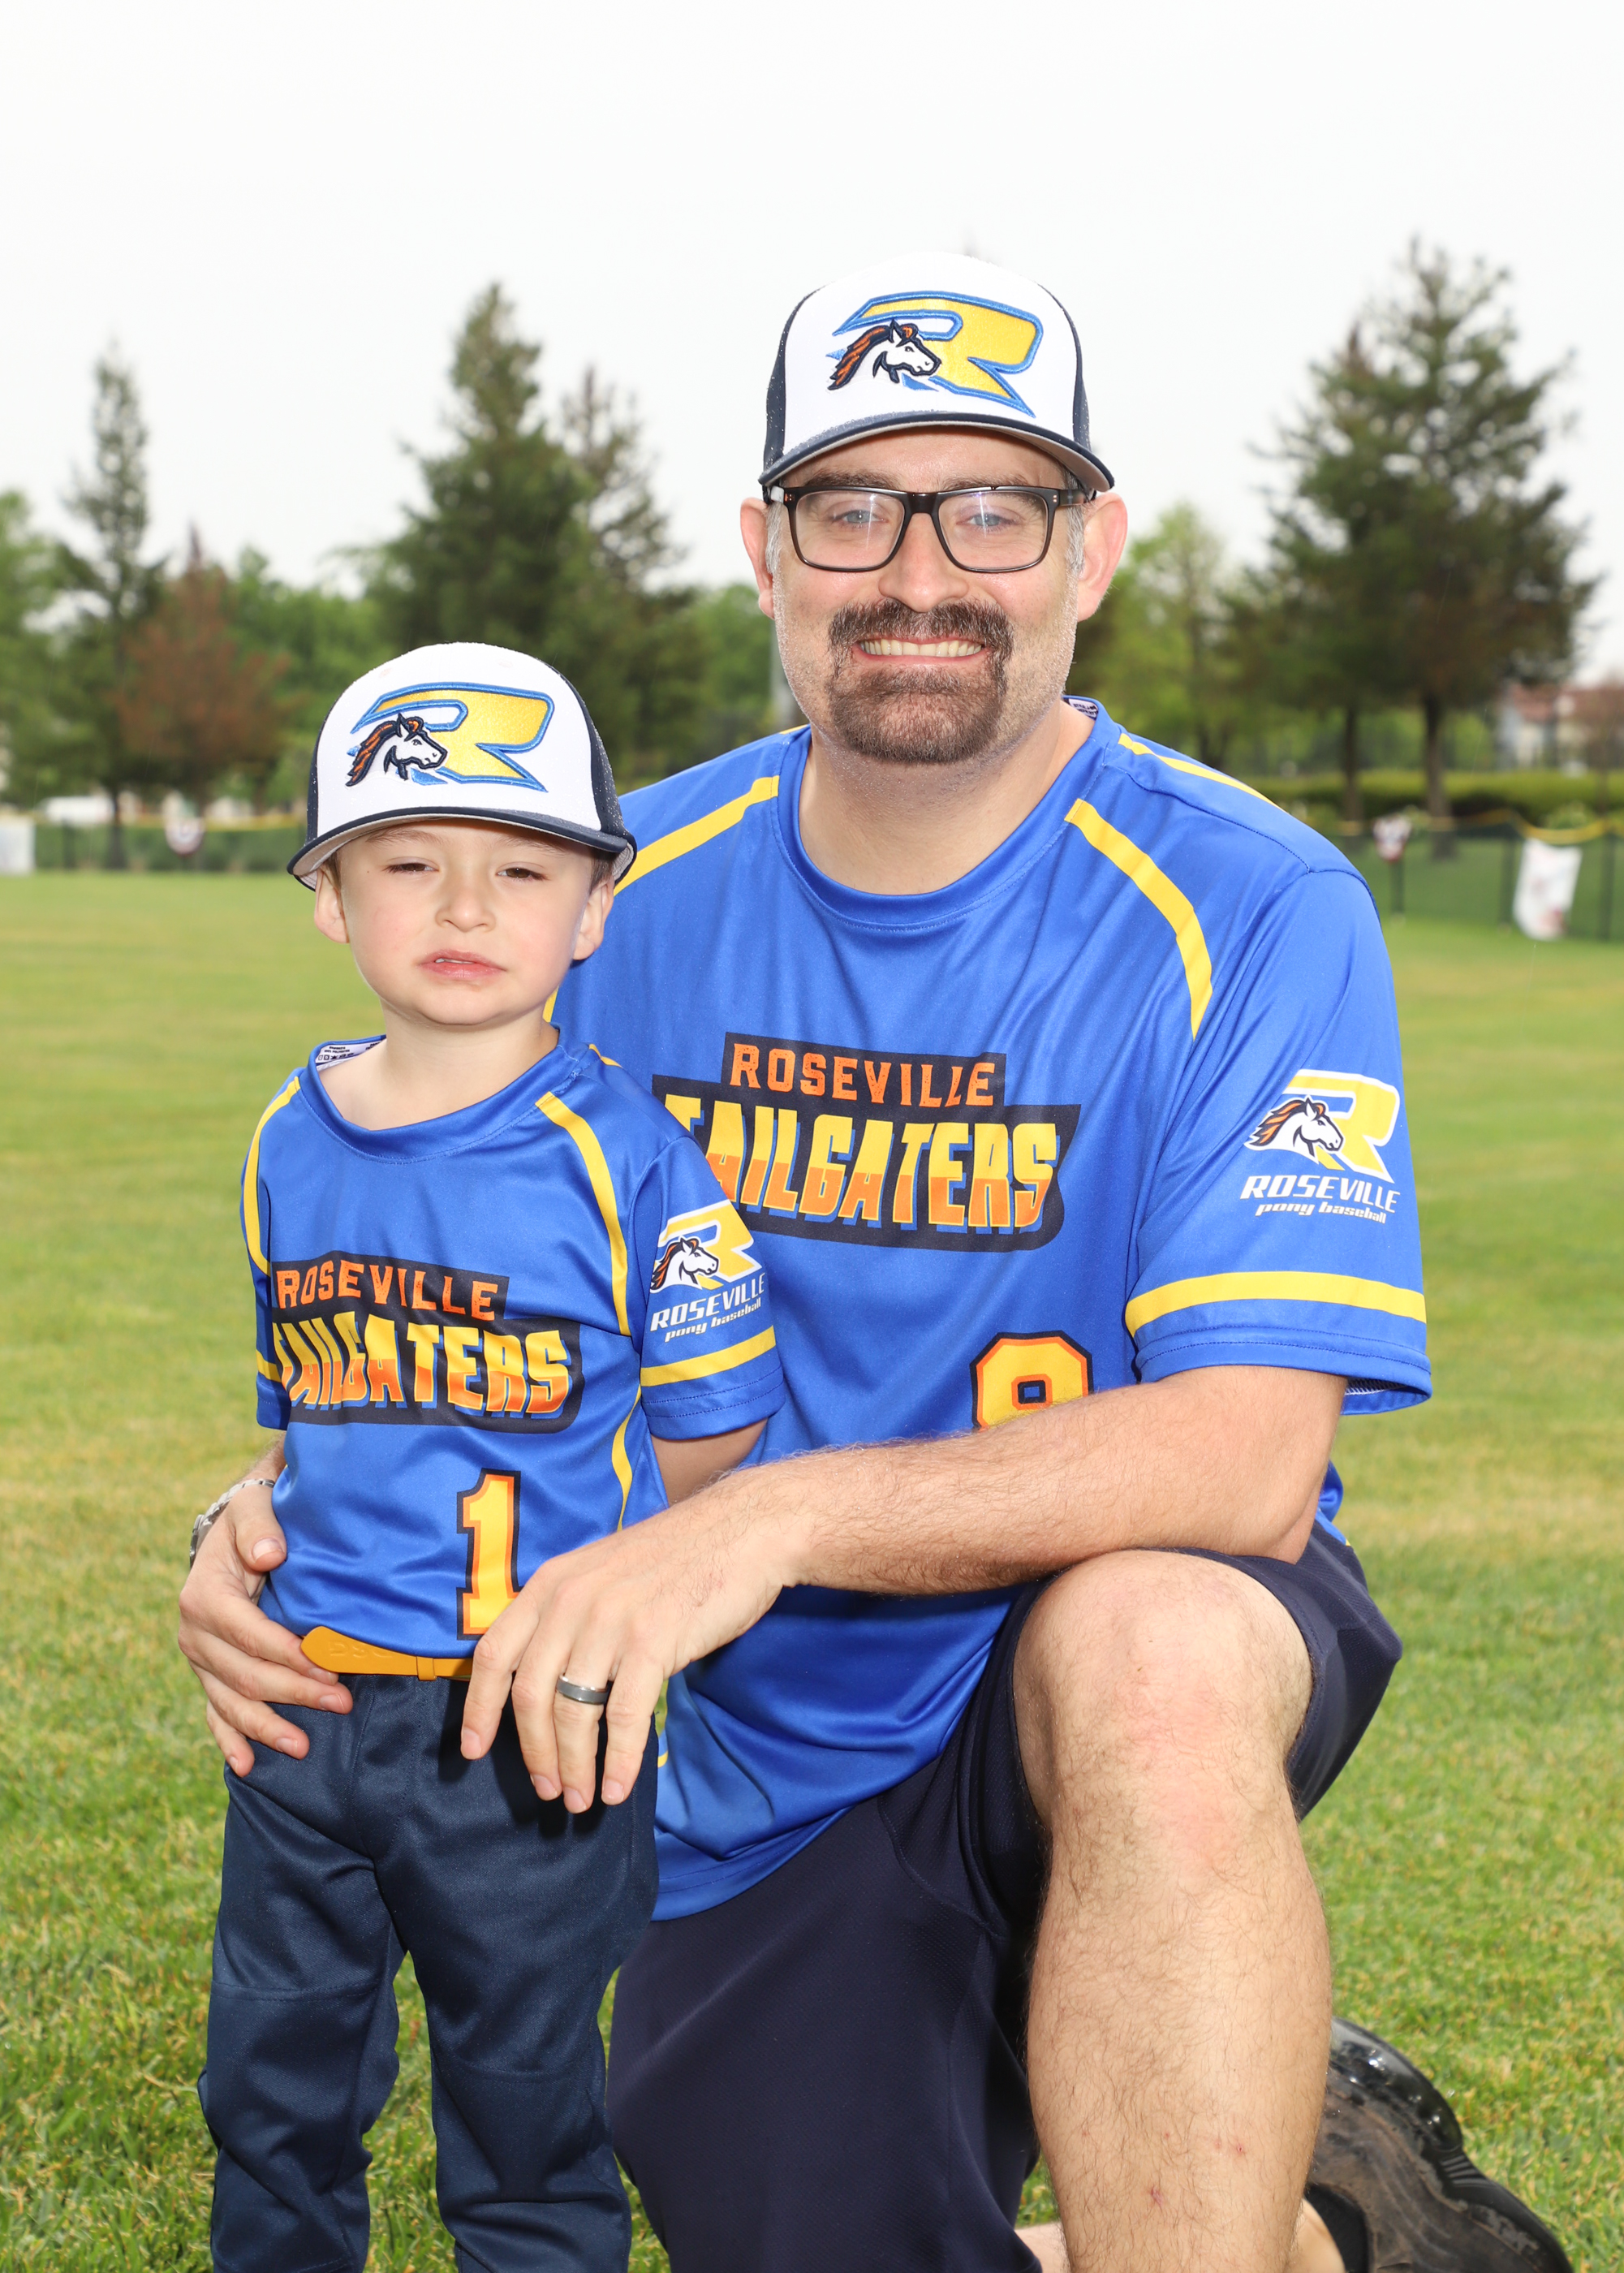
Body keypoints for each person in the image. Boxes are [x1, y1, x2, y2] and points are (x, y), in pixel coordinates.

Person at [180, 261, 1572, 2273]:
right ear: (765, 549)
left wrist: (768, 1519)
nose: (919, 571)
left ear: (1091, 548)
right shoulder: (607, 899)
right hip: (744, 1747)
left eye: (991, 506)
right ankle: (1342, 2215)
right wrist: (261, 1519)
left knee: (1151, 1644)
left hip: (1087, 1642)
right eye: (851, 506)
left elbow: (1252, 1453)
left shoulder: (1249, 898)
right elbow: (441, 1302)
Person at [194, 641, 784, 2273]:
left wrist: (591, 1592)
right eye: (407, 864)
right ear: (328, 893)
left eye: (520, 869)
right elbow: (304, 1415)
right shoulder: (287, 1133)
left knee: (523, 2109)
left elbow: (717, 1430)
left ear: (591, 907)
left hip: (522, 1719)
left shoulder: (629, 1156)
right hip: (308, 1706)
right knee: (273, 2079)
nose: (463, 905)